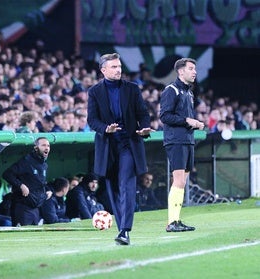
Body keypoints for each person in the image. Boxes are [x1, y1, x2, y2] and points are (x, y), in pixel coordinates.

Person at [87, 53, 153, 245]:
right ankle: (121, 229)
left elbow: (143, 113)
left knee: (126, 185)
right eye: (114, 67)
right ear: (103, 70)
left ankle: (125, 230)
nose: (118, 70)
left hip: (128, 144)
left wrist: (144, 127)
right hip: (108, 146)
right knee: (113, 188)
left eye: (119, 66)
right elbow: (92, 120)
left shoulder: (132, 89)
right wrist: (105, 128)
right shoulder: (94, 92)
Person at [160, 58, 205, 232]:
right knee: (178, 180)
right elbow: (165, 116)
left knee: (182, 181)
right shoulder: (171, 90)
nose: (195, 72)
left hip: (187, 140)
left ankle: (176, 220)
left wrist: (193, 123)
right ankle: (172, 222)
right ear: (181, 72)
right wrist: (188, 120)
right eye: (191, 69)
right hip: (176, 140)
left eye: (195, 69)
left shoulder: (189, 92)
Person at [2, 137, 52, 226]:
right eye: (43, 145)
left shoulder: (44, 165)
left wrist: (47, 192)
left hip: (35, 209)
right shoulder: (26, 161)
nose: (47, 148)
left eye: (48, 145)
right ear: (36, 148)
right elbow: (7, 174)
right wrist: (21, 185)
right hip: (22, 208)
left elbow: (40, 183)